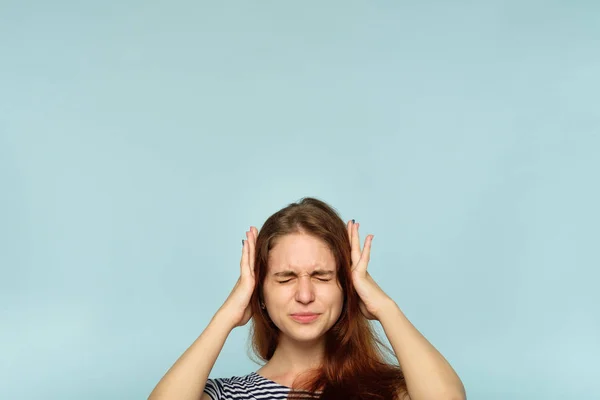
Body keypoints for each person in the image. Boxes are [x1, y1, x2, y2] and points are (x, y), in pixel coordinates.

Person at [148, 197, 466, 400]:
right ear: (259, 291)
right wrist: (226, 315)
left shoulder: (388, 390)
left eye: (322, 276)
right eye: (285, 278)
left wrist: (384, 307)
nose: (304, 295)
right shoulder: (230, 395)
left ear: (346, 286)